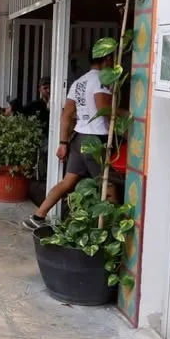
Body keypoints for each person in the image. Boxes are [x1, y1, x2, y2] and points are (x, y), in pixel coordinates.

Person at [23, 52, 114, 230]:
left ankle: (38, 216)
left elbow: (67, 115)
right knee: (107, 183)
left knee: (67, 181)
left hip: (78, 138)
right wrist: (126, 115)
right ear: (108, 59)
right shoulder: (100, 81)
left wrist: (63, 143)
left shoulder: (79, 83)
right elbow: (104, 109)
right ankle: (112, 229)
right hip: (95, 140)